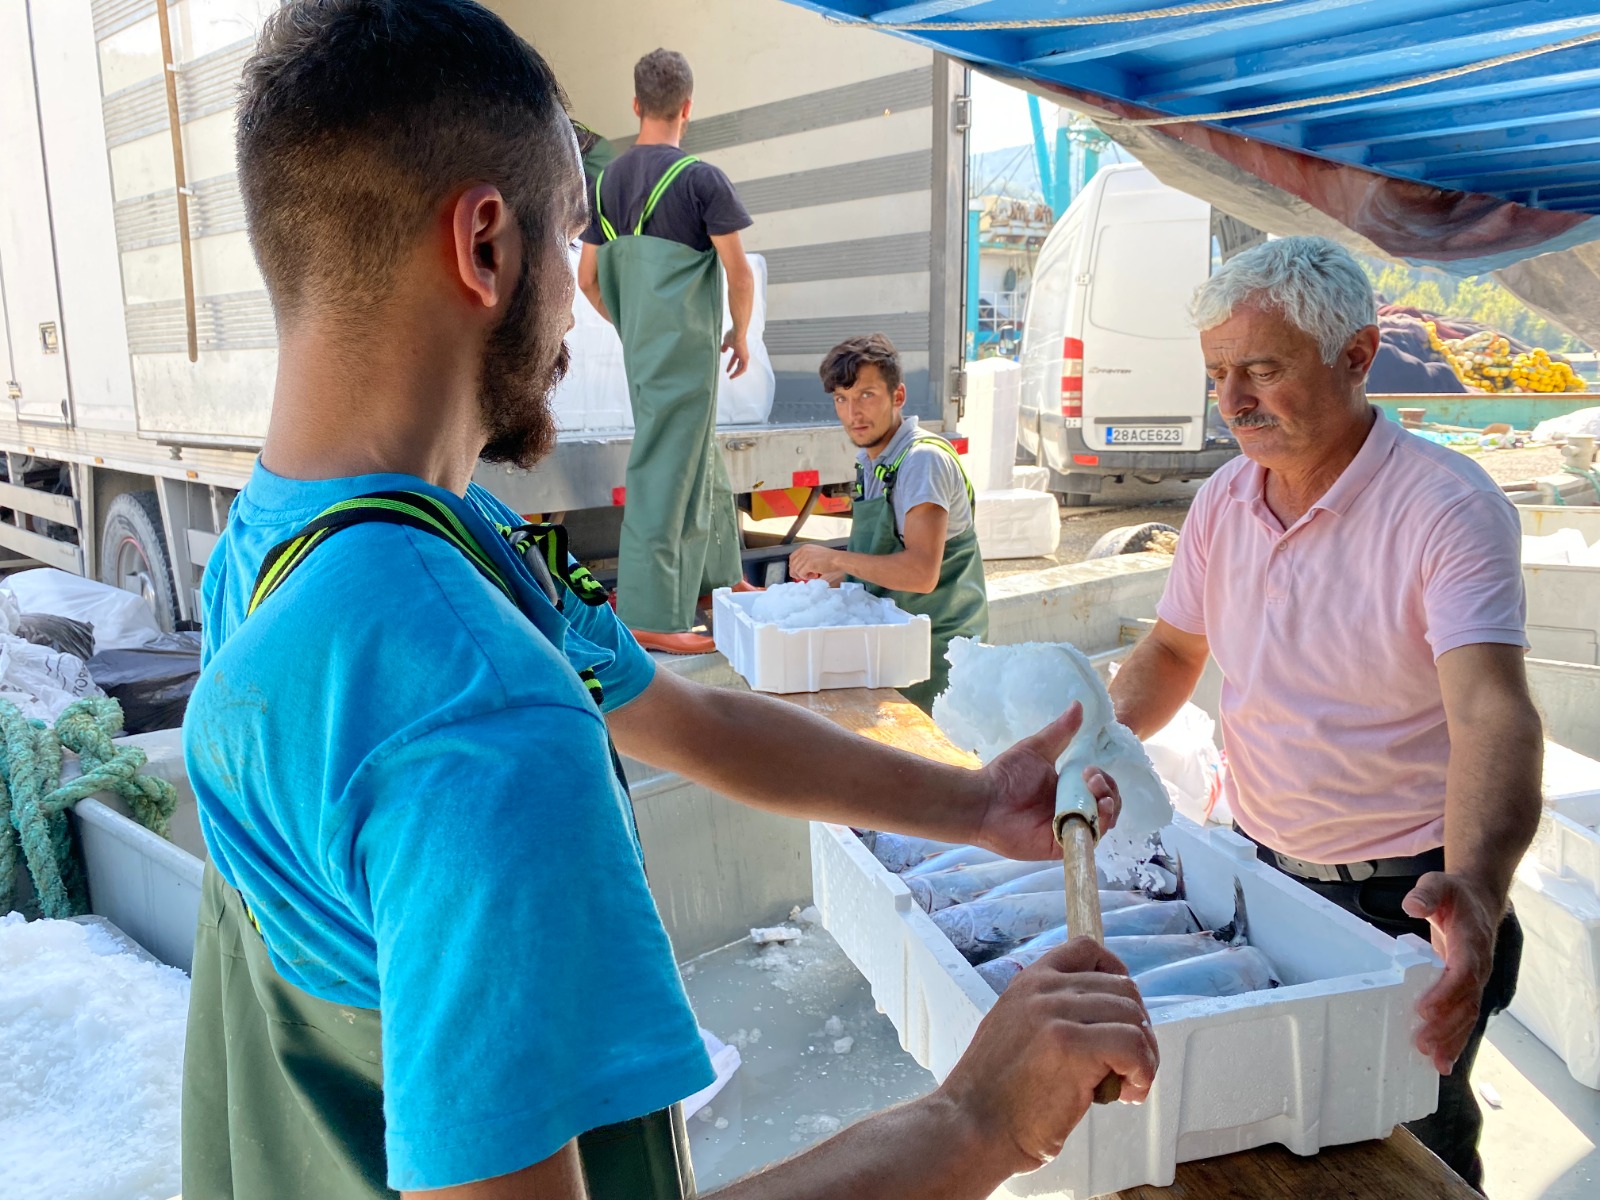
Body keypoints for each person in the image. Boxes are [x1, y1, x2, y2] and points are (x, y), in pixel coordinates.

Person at [181, 5, 1158, 1199]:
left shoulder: (299, 544)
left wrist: (971, 802)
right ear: (487, 246)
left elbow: (690, 722)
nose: (588, 308)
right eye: (573, 242)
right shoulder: (483, 720)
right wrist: (976, 1119)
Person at [1107, 236, 1542, 1191]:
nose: (1232, 401)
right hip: (1265, 875)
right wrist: (1087, 746)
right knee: (1270, 1129)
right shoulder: (1223, 500)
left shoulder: (1445, 507)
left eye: (1262, 369)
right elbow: (1175, 651)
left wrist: (1475, 886)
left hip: (1410, 900)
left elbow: (1490, 716)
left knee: (1404, 1150)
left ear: (1356, 354)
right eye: (1219, 373)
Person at [578, 49, 754, 655]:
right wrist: (740, 332)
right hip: (689, 347)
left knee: (697, 455)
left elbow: (588, 279)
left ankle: (717, 580)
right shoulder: (701, 179)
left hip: (649, 346)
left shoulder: (605, 182)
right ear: (687, 109)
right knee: (664, 466)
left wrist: (634, 324)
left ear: (635, 106)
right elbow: (738, 273)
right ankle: (653, 614)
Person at [788, 335, 989, 711]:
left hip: (937, 658)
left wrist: (837, 560)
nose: (853, 413)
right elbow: (886, 554)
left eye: (866, 395)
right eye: (841, 399)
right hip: (897, 646)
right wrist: (836, 580)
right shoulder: (875, 460)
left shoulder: (921, 461)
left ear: (898, 396)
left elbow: (920, 573)